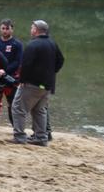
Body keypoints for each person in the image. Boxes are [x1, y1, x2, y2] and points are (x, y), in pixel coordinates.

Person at [10, 19, 64, 147]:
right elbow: (61, 60)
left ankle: (19, 136)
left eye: (32, 27)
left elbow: (26, 65)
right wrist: (51, 73)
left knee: (18, 108)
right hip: (47, 84)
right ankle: (41, 137)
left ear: (36, 30)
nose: (30, 29)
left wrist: (22, 80)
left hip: (31, 83)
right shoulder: (52, 43)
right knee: (40, 110)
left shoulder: (33, 45)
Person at [0, 18, 23, 130]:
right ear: (0, 29)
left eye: (7, 29)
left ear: (12, 30)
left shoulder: (17, 44)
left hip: (10, 78)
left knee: (13, 104)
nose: (5, 31)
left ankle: (15, 127)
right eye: (3, 28)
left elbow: (18, 62)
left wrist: (5, 70)